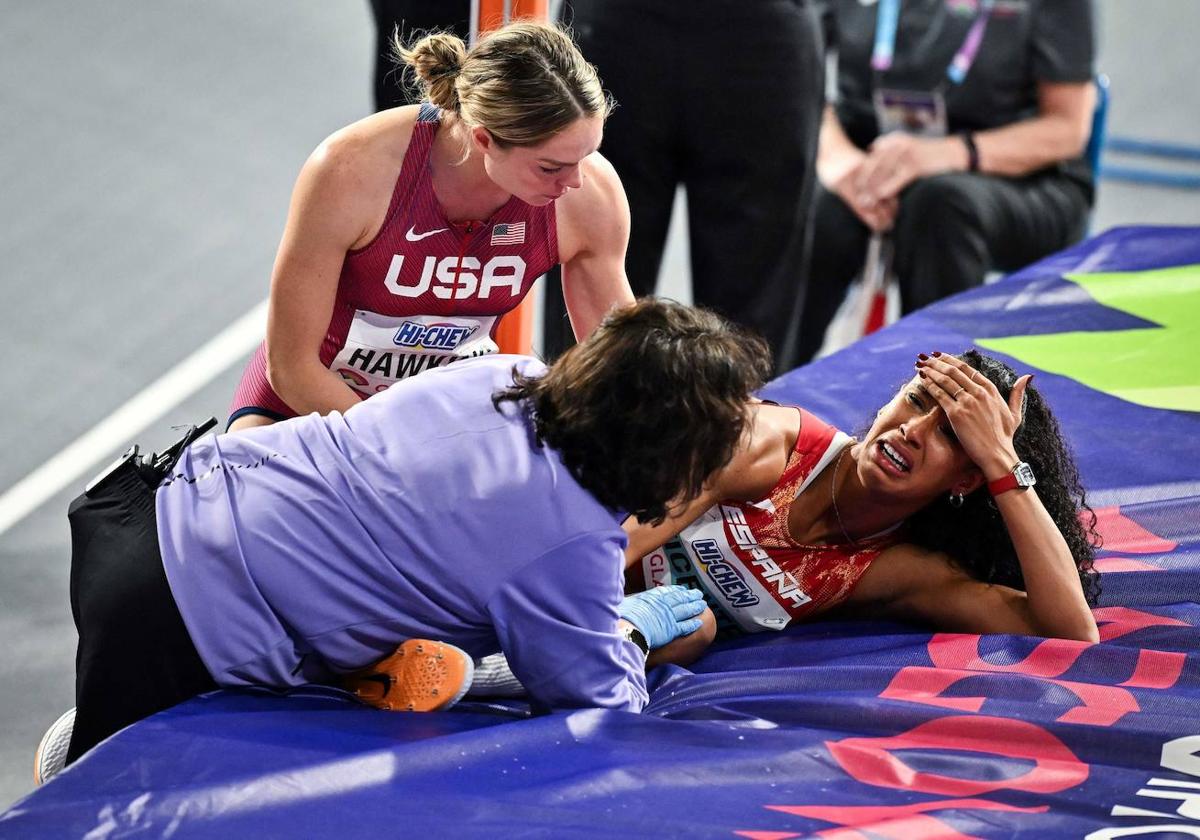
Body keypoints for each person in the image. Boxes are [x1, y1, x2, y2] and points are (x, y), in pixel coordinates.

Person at [61, 300, 772, 768]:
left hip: (144, 513)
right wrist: (632, 631)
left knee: (93, 764)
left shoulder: (506, 374)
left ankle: (89, 733)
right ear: (667, 448)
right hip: (182, 619)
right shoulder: (570, 544)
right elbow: (600, 707)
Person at [468, 349, 1100, 697]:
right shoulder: (767, 445)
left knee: (693, 620)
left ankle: (475, 676)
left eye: (950, 434)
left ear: (967, 481)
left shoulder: (895, 571)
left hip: (610, 628)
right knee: (679, 609)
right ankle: (476, 641)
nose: (912, 431)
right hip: (549, 538)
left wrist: (1003, 463)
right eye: (916, 401)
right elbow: (611, 541)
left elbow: (1068, 631)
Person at [228, 21, 635, 431]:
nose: (575, 182)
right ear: (484, 140)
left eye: (586, 155)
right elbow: (291, 366)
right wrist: (406, 447)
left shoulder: (590, 198)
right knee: (237, 491)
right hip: (314, 400)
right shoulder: (350, 170)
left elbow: (623, 374)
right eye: (550, 167)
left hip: (451, 419)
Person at [795, 0, 1097, 363]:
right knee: (810, 210)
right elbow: (790, 72)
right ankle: (760, 395)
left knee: (939, 205)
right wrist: (838, 159)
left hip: (1019, 176)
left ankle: (937, 402)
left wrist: (945, 154)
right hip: (869, 156)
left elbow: (1066, 129)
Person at [540, 0, 825, 372]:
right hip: (616, 26)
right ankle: (577, 427)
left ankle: (747, 427)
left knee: (752, 336)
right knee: (587, 276)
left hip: (764, 34)